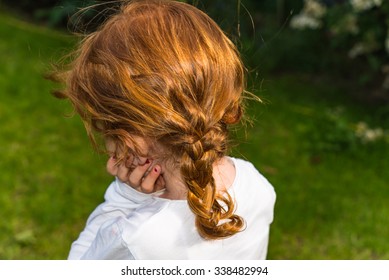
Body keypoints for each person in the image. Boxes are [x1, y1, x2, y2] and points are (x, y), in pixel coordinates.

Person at [54, 0, 276, 259]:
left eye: (101, 125)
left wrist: (125, 198)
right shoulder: (257, 185)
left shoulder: (135, 238)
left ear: (131, 137)